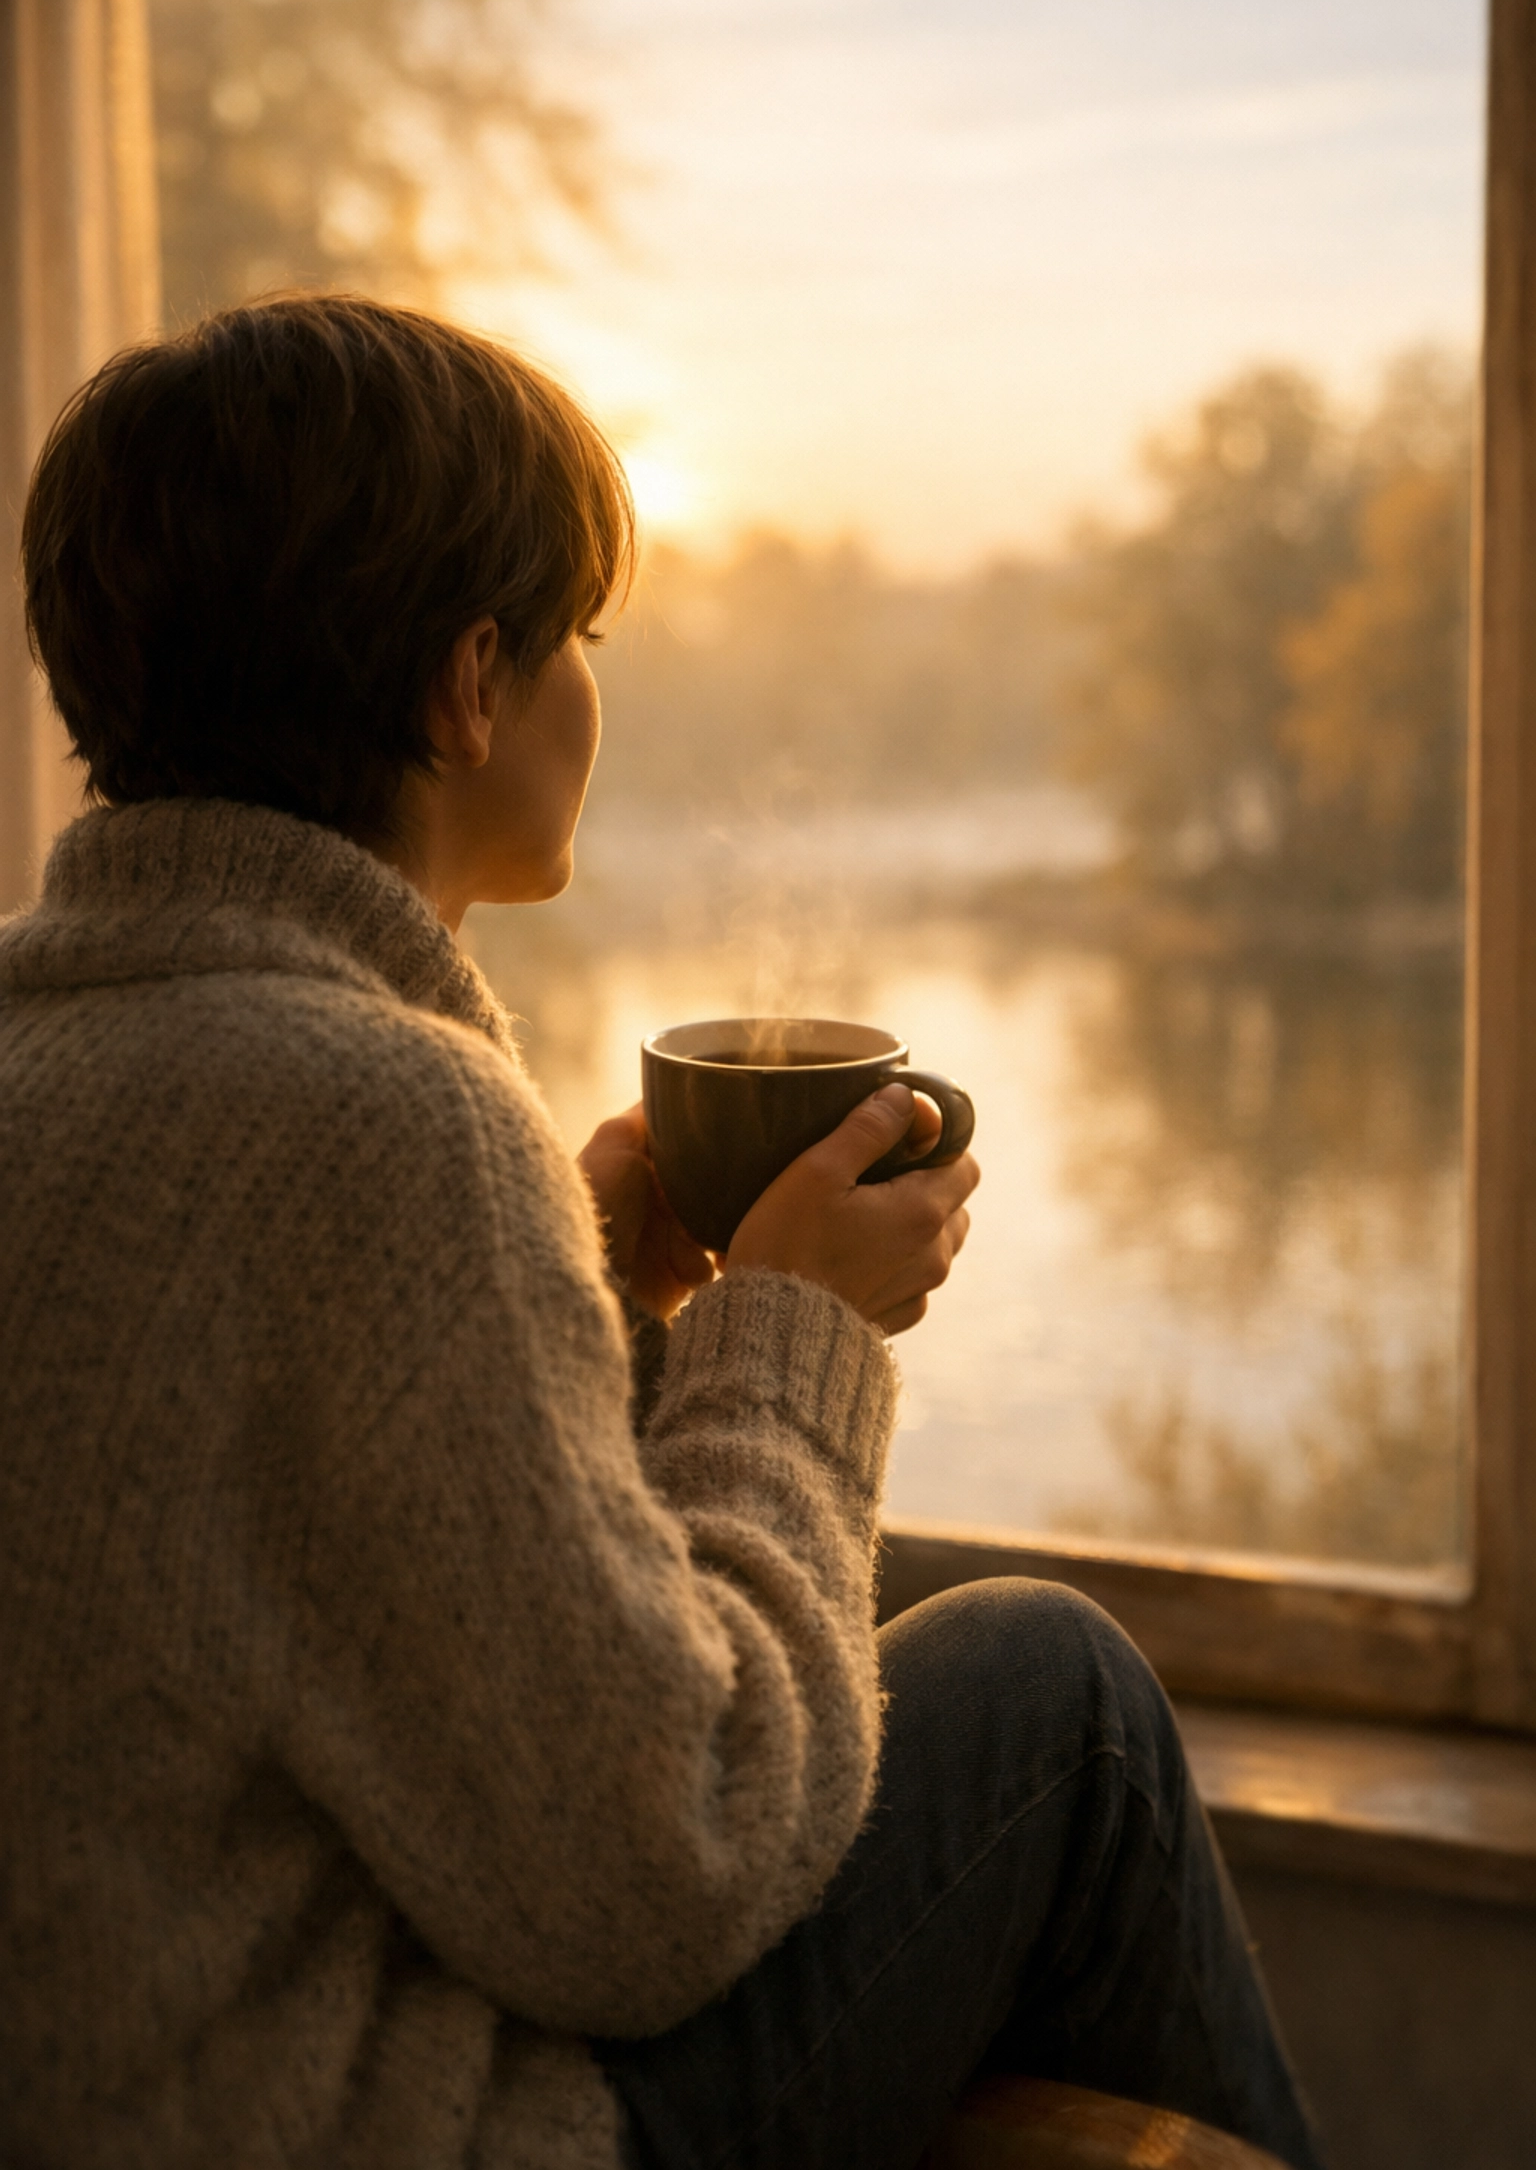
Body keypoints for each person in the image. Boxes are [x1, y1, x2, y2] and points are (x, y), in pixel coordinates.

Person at [0, 296, 1324, 2170]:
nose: (586, 691)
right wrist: (792, 1345)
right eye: (578, 640)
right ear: (471, 686)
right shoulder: (384, 1116)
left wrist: (593, 1293)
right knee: (1059, 1691)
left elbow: (307, 1600)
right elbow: (661, 1864)